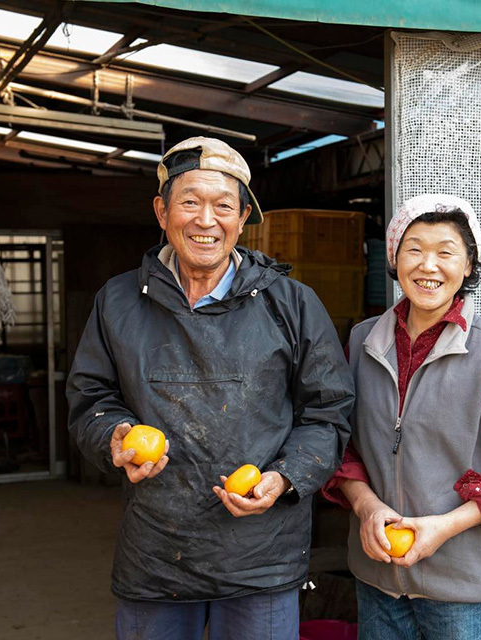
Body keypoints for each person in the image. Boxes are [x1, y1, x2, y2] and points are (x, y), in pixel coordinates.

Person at [66, 137, 355, 640]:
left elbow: (328, 412)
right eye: (189, 202)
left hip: (260, 554)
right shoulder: (117, 301)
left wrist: (285, 477)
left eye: (223, 206)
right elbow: (91, 397)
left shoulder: (292, 304)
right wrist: (114, 434)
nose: (206, 220)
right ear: (161, 211)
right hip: (156, 551)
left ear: (242, 219)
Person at [322, 194, 481, 639]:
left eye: (445, 252)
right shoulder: (363, 342)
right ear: (395, 259)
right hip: (378, 580)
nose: (428, 265)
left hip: (463, 591)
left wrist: (442, 529)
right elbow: (340, 444)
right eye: (415, 249)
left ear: (467, 266)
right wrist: (367, 509)